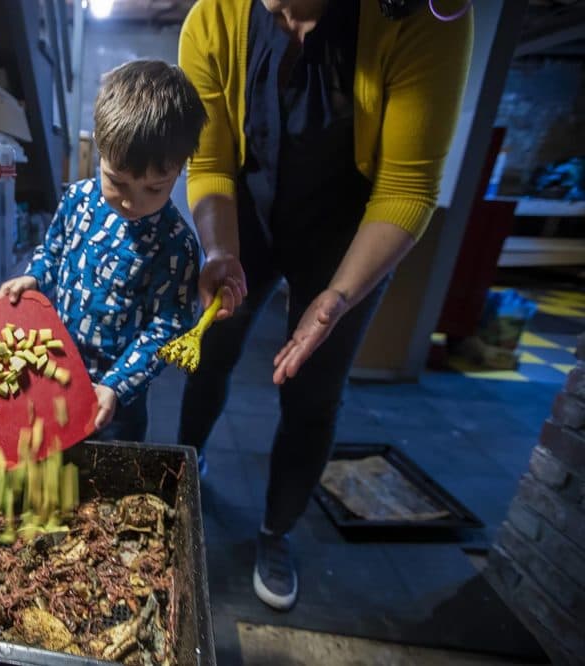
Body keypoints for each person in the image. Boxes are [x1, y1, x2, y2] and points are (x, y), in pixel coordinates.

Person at [177, 0, 473, 610]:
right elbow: (208, 161)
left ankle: (276, 531)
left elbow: (408, 188)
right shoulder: (213, 19)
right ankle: (186, 468)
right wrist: (216, 252)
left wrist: (336, 300)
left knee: (311, 392)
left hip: (346, 234)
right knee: (209, 350)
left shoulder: (420, 17)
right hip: (244, 221)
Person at [0, 59, 207, 441]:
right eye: (117, 182)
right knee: (48, 456)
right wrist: (34, 276)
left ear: (180, 169)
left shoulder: (177, 244)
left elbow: (167, 329)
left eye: (154, 189)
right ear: (98, 144)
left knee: (105, 478)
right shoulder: (77, 199)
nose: (132, 202)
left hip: (114, 399)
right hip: (55, 367)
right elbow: (54, 251)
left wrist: (117, 384)